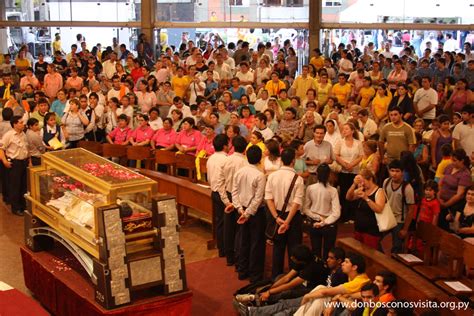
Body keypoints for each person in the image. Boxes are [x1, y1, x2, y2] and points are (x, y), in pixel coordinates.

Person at [265, 148, 305, 279]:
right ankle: (293, 278)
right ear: (293, 161)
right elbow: (296, 203)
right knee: (294, 249)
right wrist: (287, 221)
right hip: (293, 218)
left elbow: (268, 199)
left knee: (278, 248)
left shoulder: (272, 176)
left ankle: (275, 277)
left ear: (281, 160)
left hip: (277, 215)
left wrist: (277, 217)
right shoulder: (298, 179)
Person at [295, 253, 370, 316]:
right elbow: (341, 294)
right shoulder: (355, 276)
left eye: (346, 262)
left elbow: (326, 292)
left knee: (320, 296)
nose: (342, 264)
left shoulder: (359, 281)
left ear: (354, 267)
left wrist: (306, 296)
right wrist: (335, 300)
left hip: (351, 309)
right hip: (343, 303)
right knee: (320, 290)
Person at [231, 145, 265, 282]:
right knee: (256, 243)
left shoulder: (240, 172)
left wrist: (240, 210)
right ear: (260, 159)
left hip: (242, 210)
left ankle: (242, 270)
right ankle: (254, 275)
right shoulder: (260, 175)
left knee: (243, 240)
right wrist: (248, 213)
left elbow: (234, 192)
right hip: (255, 213)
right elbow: (258, 198)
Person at [304, 163, 340, 259]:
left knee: (315, 251)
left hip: (315, 222)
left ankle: (317, 271)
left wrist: (318, 218)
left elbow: (305, 209)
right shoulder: (333, 190)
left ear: (316, 174)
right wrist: (324, 221)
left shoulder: (310, 188)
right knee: (328, 253)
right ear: (329, 175)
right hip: (329, 223)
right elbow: (336, 213)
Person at [382, 160, 416, 254]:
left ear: (402, 172)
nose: (394, 174)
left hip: (399, 221)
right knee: (377, 238)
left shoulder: (407, 188)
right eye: (392, 170)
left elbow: (411, 209)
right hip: (387, 217)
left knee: (397, 248)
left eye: (397, 171)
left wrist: (405, 229)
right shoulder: (386, 182)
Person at [346, 169, 385, 249]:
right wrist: (354, 184)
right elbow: (348, 197)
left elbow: (379, 209)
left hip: (371, 231)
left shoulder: (379, 191)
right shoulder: (362, 189)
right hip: (358, 229)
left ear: (370, 179)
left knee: (369, 254)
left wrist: (366, 198)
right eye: (360, 182)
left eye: (363, 181)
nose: (361, 184)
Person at [0, 116, 29, 216]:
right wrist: (4, 161)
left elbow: (25, 148)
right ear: (15, 124)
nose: (23, 124)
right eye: (20, 123)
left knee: (23, 186)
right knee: (15, 186)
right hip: (15, 163)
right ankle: (15, 208)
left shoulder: (23, 134)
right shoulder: (9, 135)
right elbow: (1, 149)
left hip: (24, 162)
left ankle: (23, 205)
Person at [207, 134, 230, 260]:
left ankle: (222, 249)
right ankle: (227, 250)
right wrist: (227, 201)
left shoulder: (211, 158)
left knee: (220, 223)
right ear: (225, 146)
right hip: (223, 193)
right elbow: (223, 181)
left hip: (214, 192)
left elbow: (210, 178)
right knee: (227, 224)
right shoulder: (226, 160)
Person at [335, 122, 363, 222]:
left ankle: (353, 215)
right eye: (343, 129)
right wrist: (345, 164)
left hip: (355, 171)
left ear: (352, 131)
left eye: (346, 129)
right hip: (343, 171)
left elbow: (360, 156)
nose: (344, 131)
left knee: (354, 193)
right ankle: (344, 215)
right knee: (344, 193)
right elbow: (336, 155)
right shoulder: (340, 142)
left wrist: (352, 165)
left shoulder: (358, 143)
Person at [439, 149, 472, 231]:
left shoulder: (465, 174)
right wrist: (439, 196)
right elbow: (440, 182)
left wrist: (445, 204)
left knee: (445, 227)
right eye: (451, 160)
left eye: (455, 160)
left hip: (452, 206)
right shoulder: (449, 167)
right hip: (440, 200)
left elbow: (459, 195)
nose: (452, 162)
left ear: (462, 161)